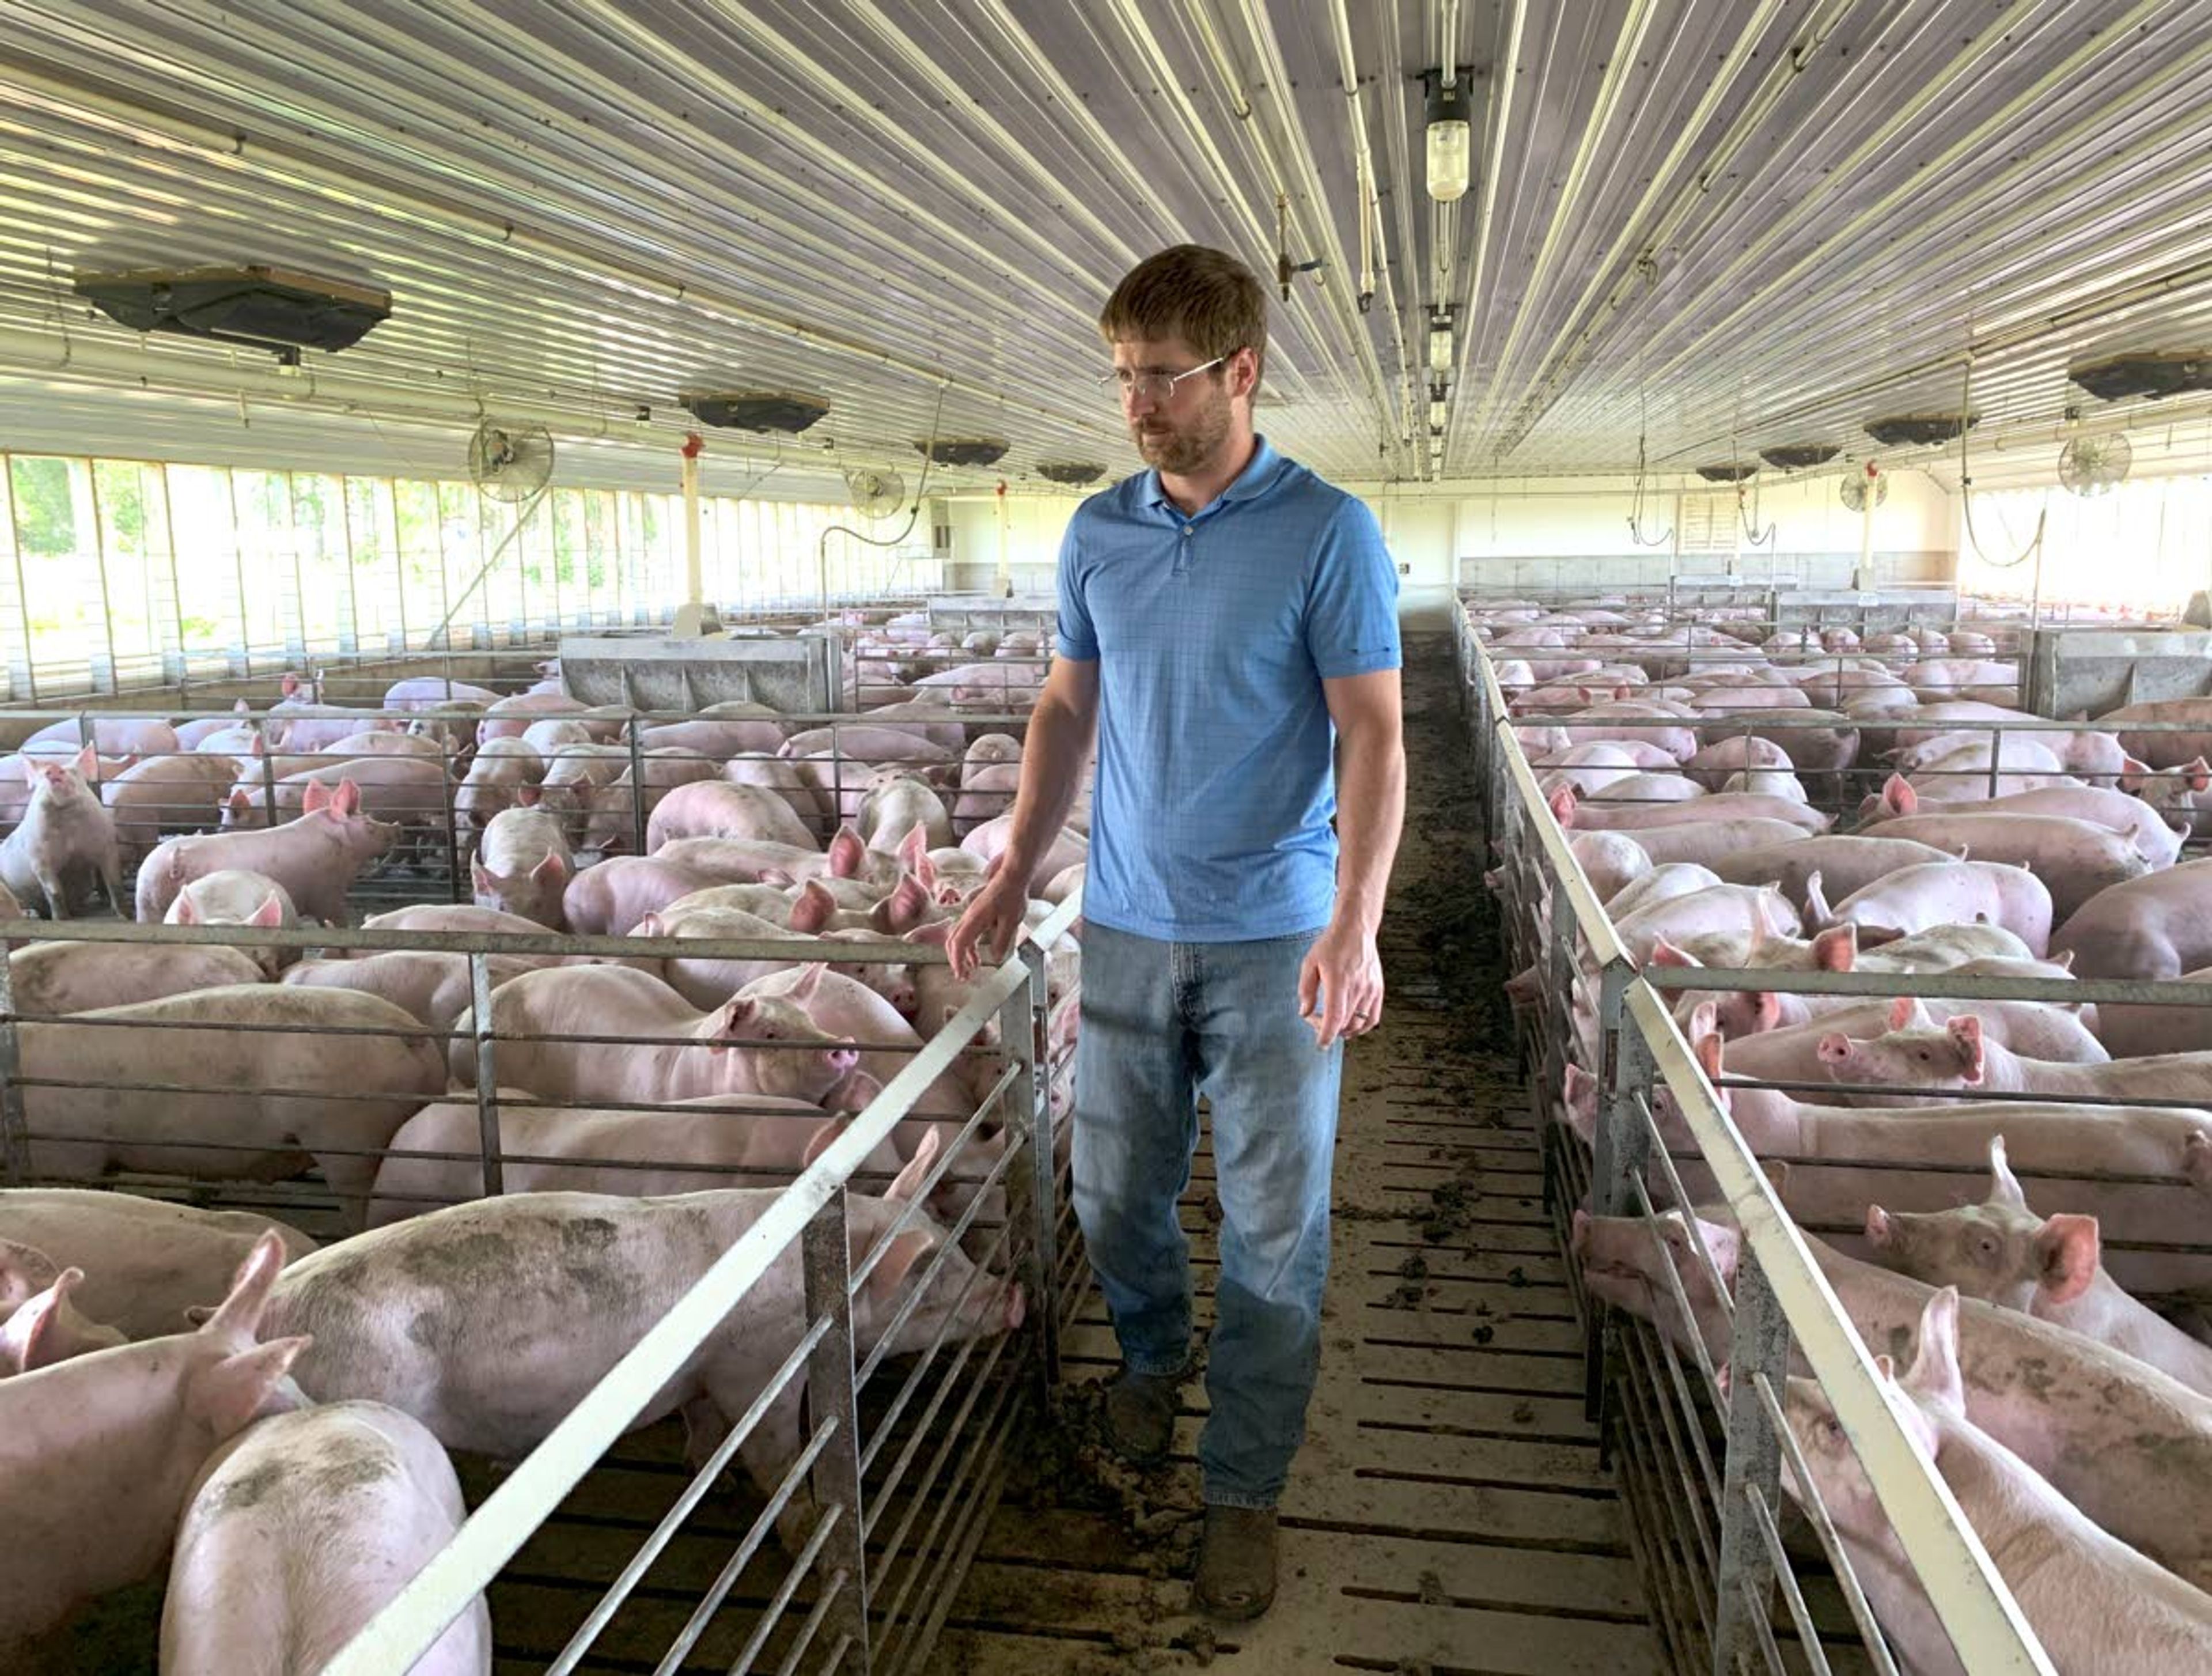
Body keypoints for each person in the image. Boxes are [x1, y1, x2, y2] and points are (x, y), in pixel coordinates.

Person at [946, 243, 1406, 1620]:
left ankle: (1243, 1487)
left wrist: (1358, 920)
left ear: (1242, 372)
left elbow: (1372, 730)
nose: (1137, 405)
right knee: (1108, 1197)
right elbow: (1064, 711)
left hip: (1277, 937)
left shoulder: (1329, 531)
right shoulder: (1099, 534)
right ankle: (1152, 1366)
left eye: (1163, 378)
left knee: (1276, 1227)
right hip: (1128, 924)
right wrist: (1019, 866)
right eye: (1124, 379)